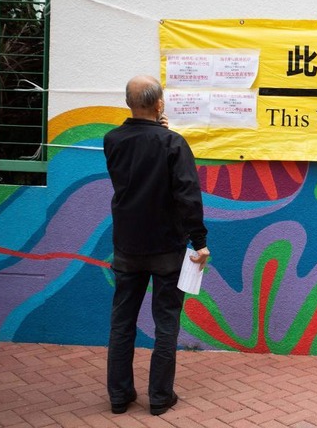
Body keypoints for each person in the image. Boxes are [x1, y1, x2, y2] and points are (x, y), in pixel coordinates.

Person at [104, 75, 209, 416]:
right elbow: (188, 197)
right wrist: (200, 242)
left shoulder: (113, 140)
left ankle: (120, 396)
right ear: (160, 104)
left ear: (127, 102)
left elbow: (136, 156)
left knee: (122, 322)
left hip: (127, 246)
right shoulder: (173, 144)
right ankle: (160, 397)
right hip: (166, 248)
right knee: (166, 322)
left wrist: (159, 130)